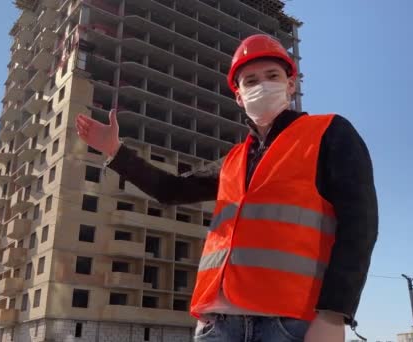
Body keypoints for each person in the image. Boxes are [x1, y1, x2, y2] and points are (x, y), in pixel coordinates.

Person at [76, 34, 378, 342]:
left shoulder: (329, 133)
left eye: (272, 76)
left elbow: (360, 224)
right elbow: (171, 190)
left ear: (290, 84)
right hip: (218, 324)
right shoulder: (235, 159)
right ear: (238, 96)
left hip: (290, 323)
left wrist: (334, 313)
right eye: (250, 81)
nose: (261, 85)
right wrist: (115, 151)